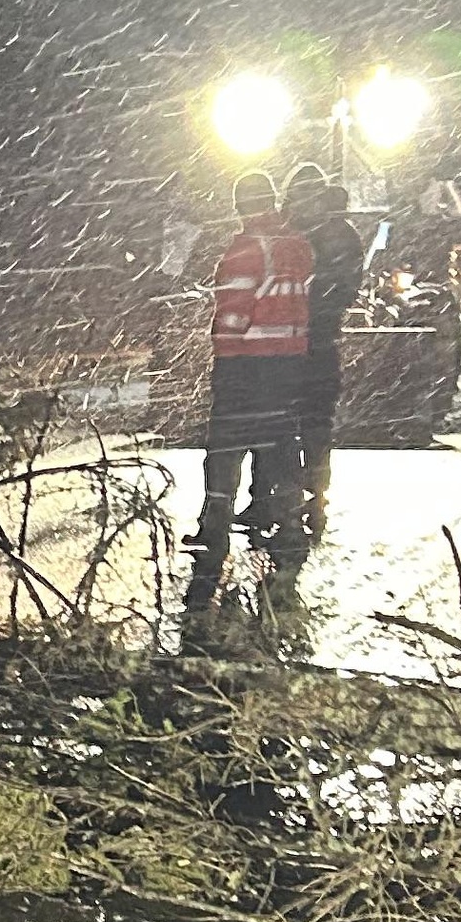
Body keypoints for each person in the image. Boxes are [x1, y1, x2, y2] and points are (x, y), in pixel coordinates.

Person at [184, 170, 313, 611]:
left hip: (247, 366)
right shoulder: (295, 249)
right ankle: (291, 523)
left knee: (224, 448)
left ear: (239, 205)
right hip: (288, 363)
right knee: (279, 445)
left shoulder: (243, 253)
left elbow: (233, 317)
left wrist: (224, 357)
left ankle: (214, 524)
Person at [281, 162, 366, 545]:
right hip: (310, 341)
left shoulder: (297, 233)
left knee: (300, 421)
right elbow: (346, 287)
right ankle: (304, 493)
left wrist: (306, 309)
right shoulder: (336, 234)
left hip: (302, 341)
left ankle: (303, 495)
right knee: (312, 422)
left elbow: (344, 288)